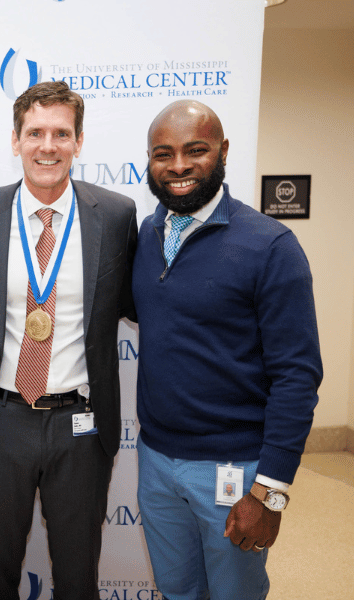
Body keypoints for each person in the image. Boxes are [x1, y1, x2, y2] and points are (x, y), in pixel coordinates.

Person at [0, 81, 138, 600]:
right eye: (35, 133)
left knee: (79, 576)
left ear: (79, 142)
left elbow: (137, 304)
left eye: (61, 133)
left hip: (80, 423)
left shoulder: (117, 215)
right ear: (15, 140)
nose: (48, 146)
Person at [133, 100, 323, 600]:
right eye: (163, 153)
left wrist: (270, 493)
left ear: (223, 153)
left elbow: (297, 377)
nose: (178, 166)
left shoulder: (271, 247)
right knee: (176, 591)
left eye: (196, 150)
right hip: (155, 461)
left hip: (236, 471)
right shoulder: (147, 237)